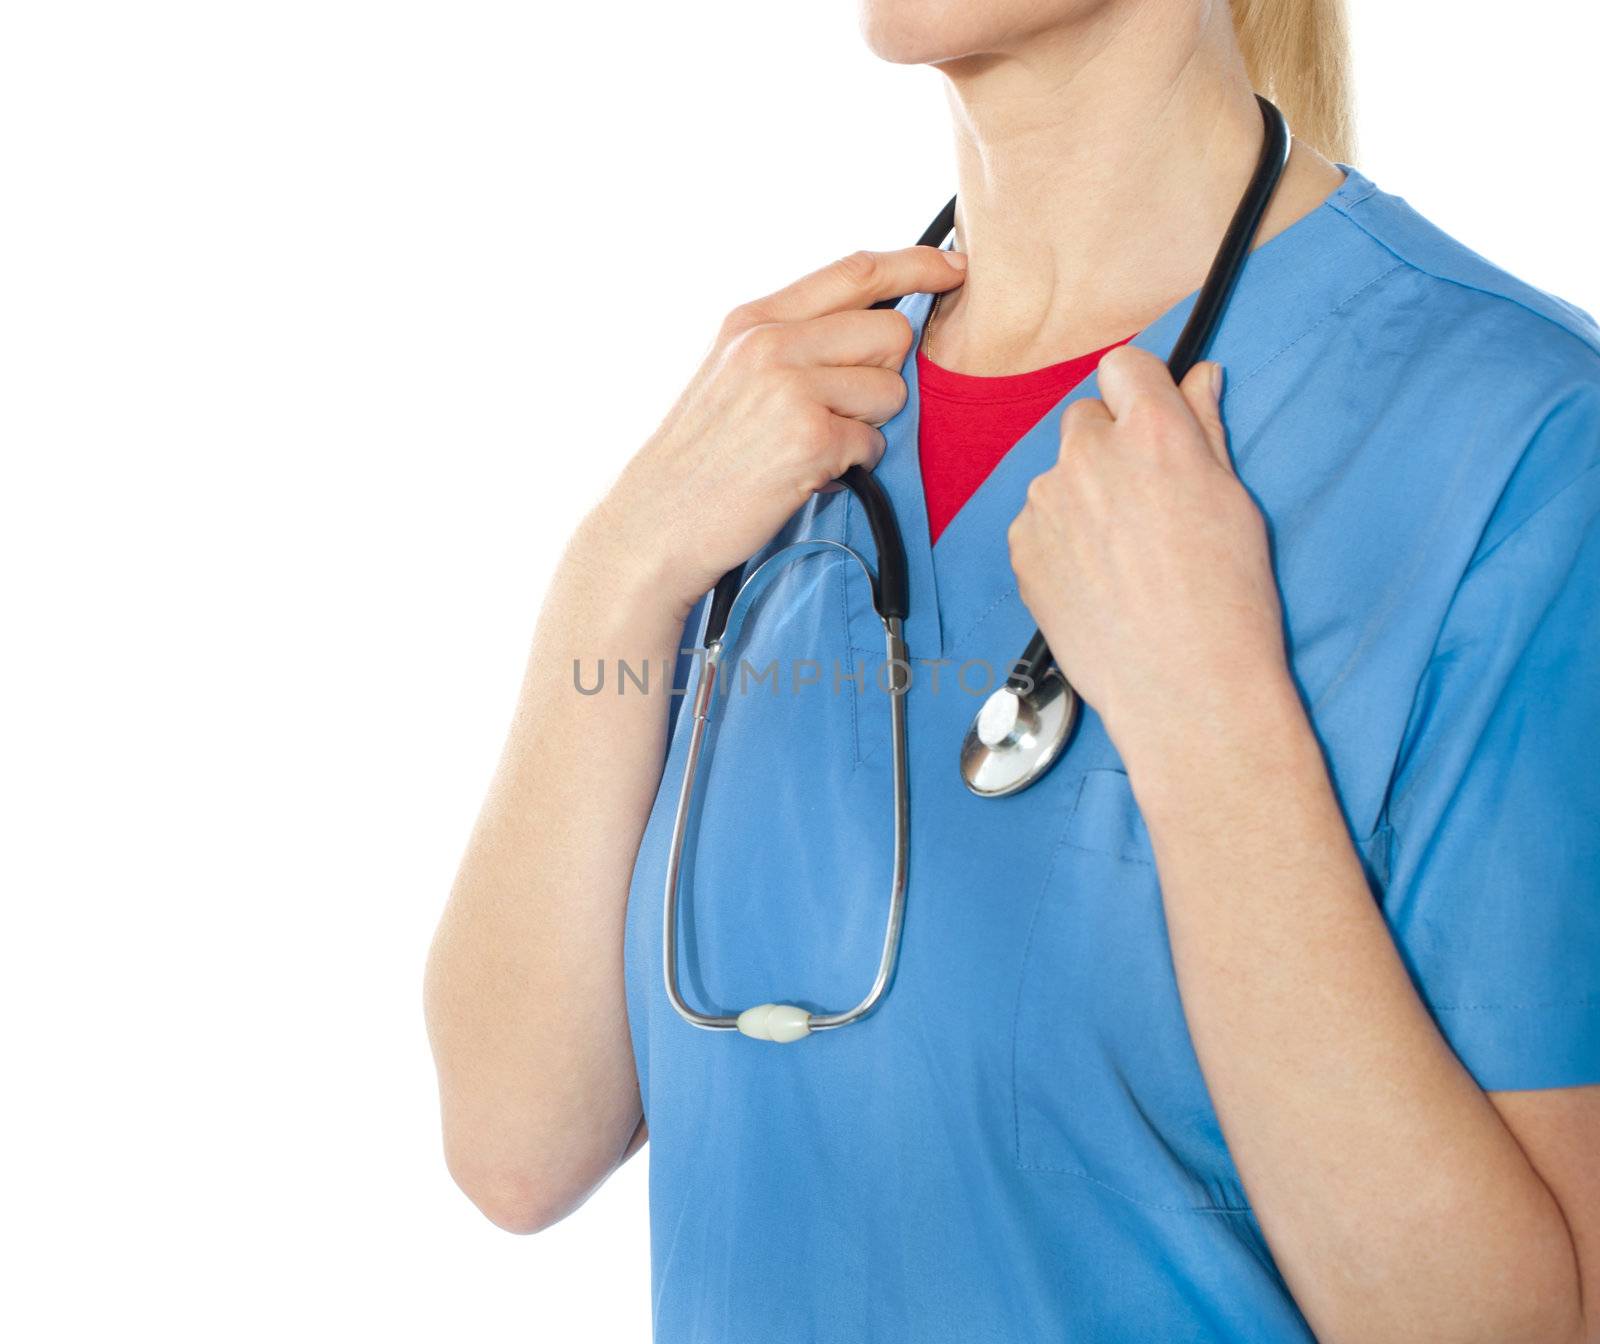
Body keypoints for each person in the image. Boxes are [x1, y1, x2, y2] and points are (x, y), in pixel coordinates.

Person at [424, 1, 1600, 1338]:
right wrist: (619, 565)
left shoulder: (1519, 446)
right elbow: (516, 1146)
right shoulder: (780, 427)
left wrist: (1213, 725)